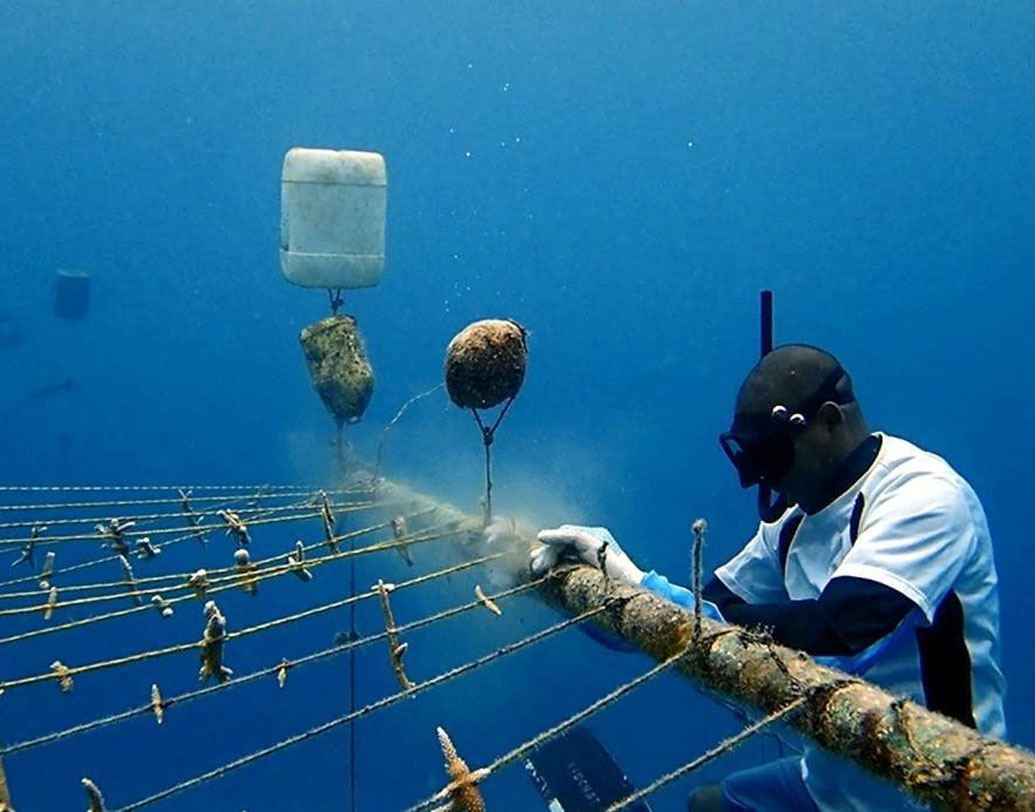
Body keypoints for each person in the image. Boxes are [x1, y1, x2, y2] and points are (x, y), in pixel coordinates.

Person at [530, 344, 1006, 811]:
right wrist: (604, 579)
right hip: (829, 785)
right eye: (752, 459)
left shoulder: (927, 499)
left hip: (925, 796)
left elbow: (842, 632)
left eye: (772, 456)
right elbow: (692, 620)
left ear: (829, 421)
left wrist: (651, 589)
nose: (764, 478)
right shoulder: (793, 521)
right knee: (708, 804)